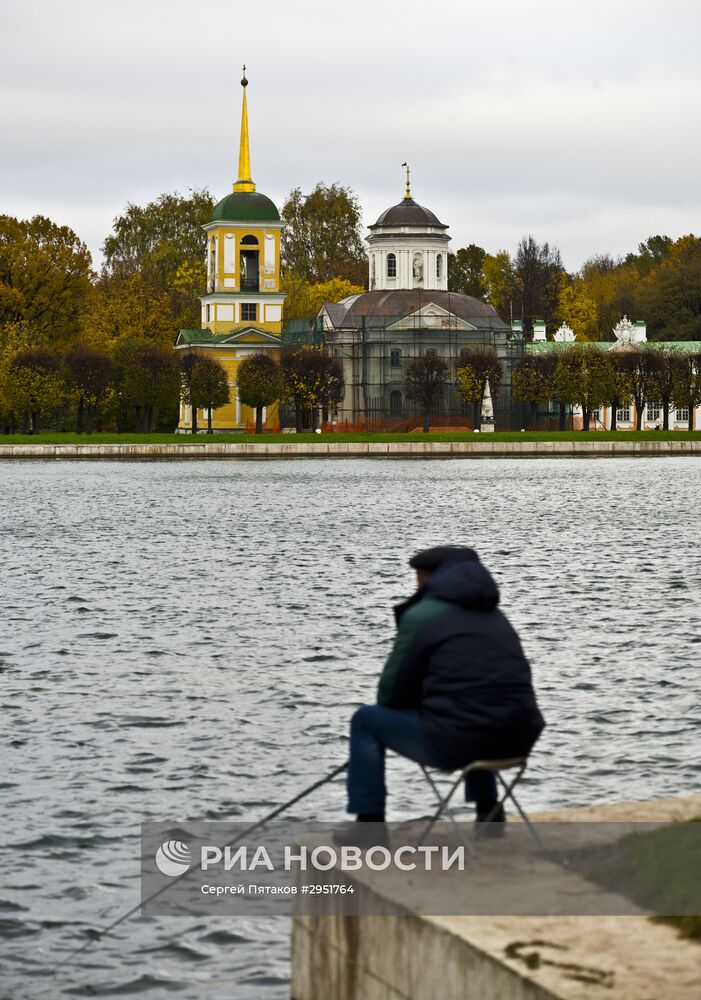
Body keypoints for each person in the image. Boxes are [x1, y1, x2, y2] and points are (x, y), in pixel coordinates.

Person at [344, 546, 545, 830]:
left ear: (428, 579)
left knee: (365, 720)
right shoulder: (495, 616)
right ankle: (488, 812)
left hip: (458, 745)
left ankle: (369, 826)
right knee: (477, 710)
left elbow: (389, 696)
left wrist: (421, 699)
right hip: (519, 740)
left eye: (417, 578)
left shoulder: (422, 616)